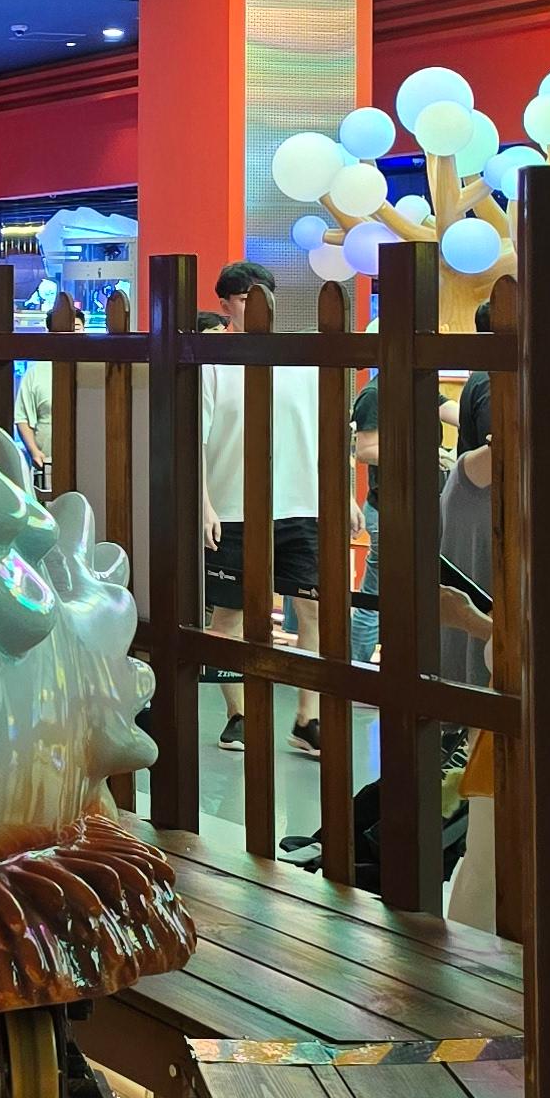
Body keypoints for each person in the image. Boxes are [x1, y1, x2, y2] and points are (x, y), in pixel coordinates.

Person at [200, 259, 322, 748]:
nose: (258, 305)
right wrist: (204, 503)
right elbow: (194, 437)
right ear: (225, 305)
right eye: (246, 297)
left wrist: (337, 495)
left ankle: (307, 718)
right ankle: (239, 713)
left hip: (300, 506)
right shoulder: (212, 362)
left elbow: (323, 429)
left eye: (265, 296)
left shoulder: (300, 360)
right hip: (233, 508)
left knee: (315, 612)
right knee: (229, 617)